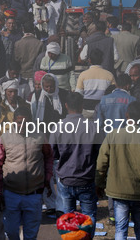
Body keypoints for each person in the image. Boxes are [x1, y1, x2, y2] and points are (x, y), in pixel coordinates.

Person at [96, 101, 140, 240]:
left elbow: (102, 163)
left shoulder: (113, 135)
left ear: (127, 115)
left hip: (118, 191)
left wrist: (99, 184)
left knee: (120, 228)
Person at [0, 106, 53, 240]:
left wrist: (47, 178)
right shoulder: (5, 138)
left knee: (31, 234)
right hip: (11, 194)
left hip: (34, 194)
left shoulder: (40, 136)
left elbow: (49, 157)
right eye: (19, 122)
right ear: (13, 121)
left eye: (25, 122)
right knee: (11, 232)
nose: (22, 125)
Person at [50, 92, 100, 225]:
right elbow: (99, 153)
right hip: (87, 178)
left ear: (66, 106)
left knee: (68, 217)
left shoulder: (58, 127)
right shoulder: (94, 127)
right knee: (89, 215)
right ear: (82, 106)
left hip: (66, 179)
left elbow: (53, 154)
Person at [75, 48, 115, 115]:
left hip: (87, 110)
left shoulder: (83, 75)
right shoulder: (109, 75)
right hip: (104, 111)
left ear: (89, 60)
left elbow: (78, 93)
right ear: (102, 60)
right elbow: (114, 94)